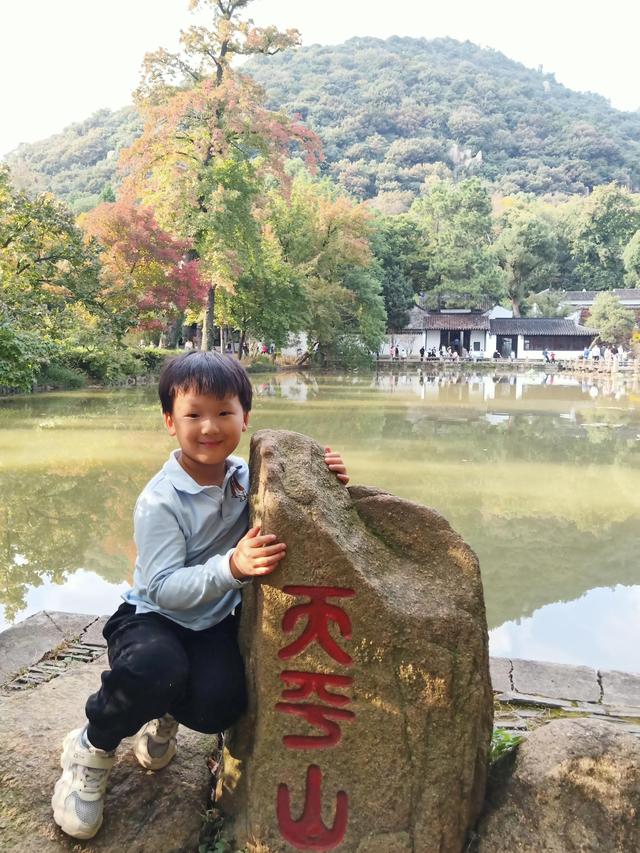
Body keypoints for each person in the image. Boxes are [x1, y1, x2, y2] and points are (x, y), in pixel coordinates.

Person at [51, 351, 349, 840]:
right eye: (193, 414)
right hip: (153, 616)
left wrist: (323, 475)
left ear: (245, 417)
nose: (209, 427)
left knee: (221, 705)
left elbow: (291, 498)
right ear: (170, 421)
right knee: (153, 669)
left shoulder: (245, 480)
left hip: (211, 621)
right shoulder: (159, 500)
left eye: (224, 412)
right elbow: (163, 586)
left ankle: (162, 712)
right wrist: (232, 566)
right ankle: (91, 746)